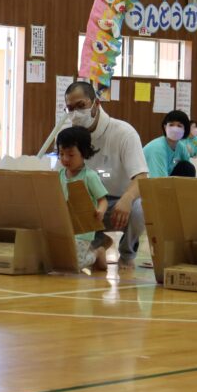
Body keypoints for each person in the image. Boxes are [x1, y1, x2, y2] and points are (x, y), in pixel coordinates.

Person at [63, 81, 149, 268]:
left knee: (140, 207)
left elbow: (141, 176)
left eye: (81, 106)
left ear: (96, 104)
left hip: (118, 204)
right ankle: (98, 242)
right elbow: (60, 175)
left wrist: (127, 198)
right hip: (87, 206)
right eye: (70, 108)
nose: (76, 113)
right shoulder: (68, 136)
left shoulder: (124, 133)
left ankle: (127, 255)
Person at [57, 126, 112, 272]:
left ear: (84, 153)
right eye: (61, 154)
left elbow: (103, 200)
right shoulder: (59, 175)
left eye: (70, 155)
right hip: (63, 227)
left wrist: (100, 212)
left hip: (83, 230)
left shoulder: (90, 176)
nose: (65, 159)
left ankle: (97, 252)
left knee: (77, 264)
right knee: (60, 260)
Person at [142, 110, 194, 178]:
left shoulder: (181, 147)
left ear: (185, 130)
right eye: (171, 125)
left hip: (165, 179)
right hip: (144, 183)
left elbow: (188, 172)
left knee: (187, 167)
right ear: (165, 127)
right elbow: (159, 181)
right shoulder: (158, 148)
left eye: (179, 125)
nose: (175, 129)